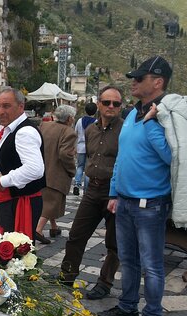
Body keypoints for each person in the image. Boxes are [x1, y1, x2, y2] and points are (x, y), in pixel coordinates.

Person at [97, 56, 174, 316]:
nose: (133, 81)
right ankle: (128, 307)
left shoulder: (166, 115)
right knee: (127, 259)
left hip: (150, 204)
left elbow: (172, 157)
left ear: (157, 82)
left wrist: (152, 124)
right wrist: (115, 192)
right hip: (126, 201)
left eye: (139, 78)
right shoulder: (131, 114)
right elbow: (122, 157)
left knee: (152, 265)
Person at [60, 86, 124, 300]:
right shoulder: (90, 130)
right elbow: (89, 158)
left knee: (114, 242)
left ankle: (104, 283)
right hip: (92, 189)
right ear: (99, 104)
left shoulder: (125, 131)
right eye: (107, 102)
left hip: (114, 192)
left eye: (116, 103)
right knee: (77, 234)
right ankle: (67, 274)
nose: (111, 107)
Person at [0, 87, 45, 240]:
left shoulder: (24, 132)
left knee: (16, 253)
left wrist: (3, 180)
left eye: (6, 106)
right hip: (11, 202)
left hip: (19, 203)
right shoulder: (11, 129)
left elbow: (35, 168)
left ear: (21, 106)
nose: (0, 111)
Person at [35, 105, 77, 244]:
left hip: (41, 170)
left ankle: (54, 227)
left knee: (48, 200)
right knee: (52, 202)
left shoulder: (44, 125)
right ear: (70, 118)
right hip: (56, 172)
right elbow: (65, 154)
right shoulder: (68, 132)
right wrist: (72, 170)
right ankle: (38, 229)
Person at [73, 102, 97, 195]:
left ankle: (76, 184)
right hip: (90, 148)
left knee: (79, 167)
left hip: (80, 147)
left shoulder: (79, 121)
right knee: (88, 169)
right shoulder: (96, 122)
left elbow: (75, 133)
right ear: (95, 111)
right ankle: (86, 189)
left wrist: (74, 146)